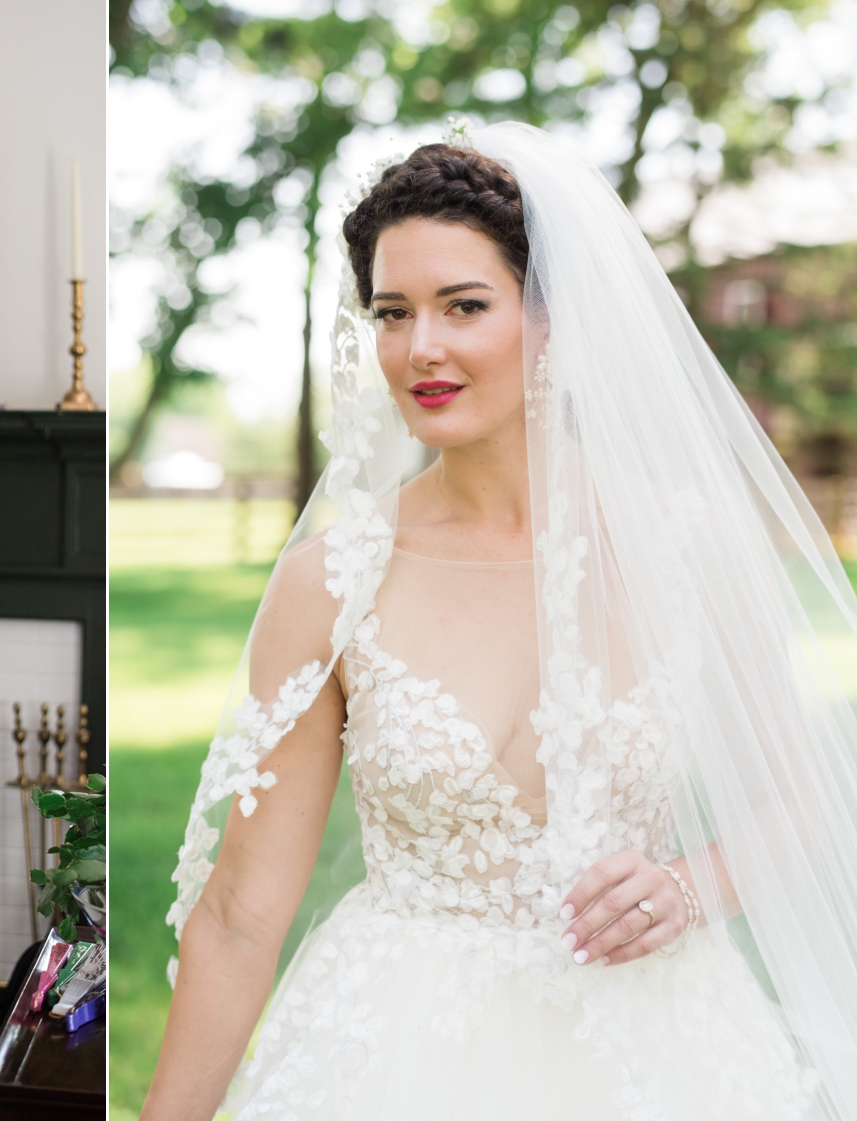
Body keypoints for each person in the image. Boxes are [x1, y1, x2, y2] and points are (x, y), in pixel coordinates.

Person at [143, 122, 857, 1120]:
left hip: (655, 1049)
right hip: (390, 1053)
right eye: (392, 312)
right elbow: (238, 914)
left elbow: (804, 799)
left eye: (463, 306)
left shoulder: (696, 552)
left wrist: (690, 885)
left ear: (552, 316)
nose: (420, 347)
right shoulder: (332, 580)